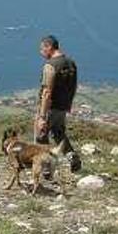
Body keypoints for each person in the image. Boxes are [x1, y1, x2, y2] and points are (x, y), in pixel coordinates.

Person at [35, 35, 82, 173]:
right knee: (58, 133)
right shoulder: (71, 63)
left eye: (42, 49)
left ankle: (46, 169)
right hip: (63, 106)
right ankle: (72, 156)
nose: (41, 52)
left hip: (50, 107)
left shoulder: (51, 66)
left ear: (49, 47)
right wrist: (68, 105)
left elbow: (47, 92)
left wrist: (42, 117)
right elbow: (73, 86)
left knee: (41, 136)